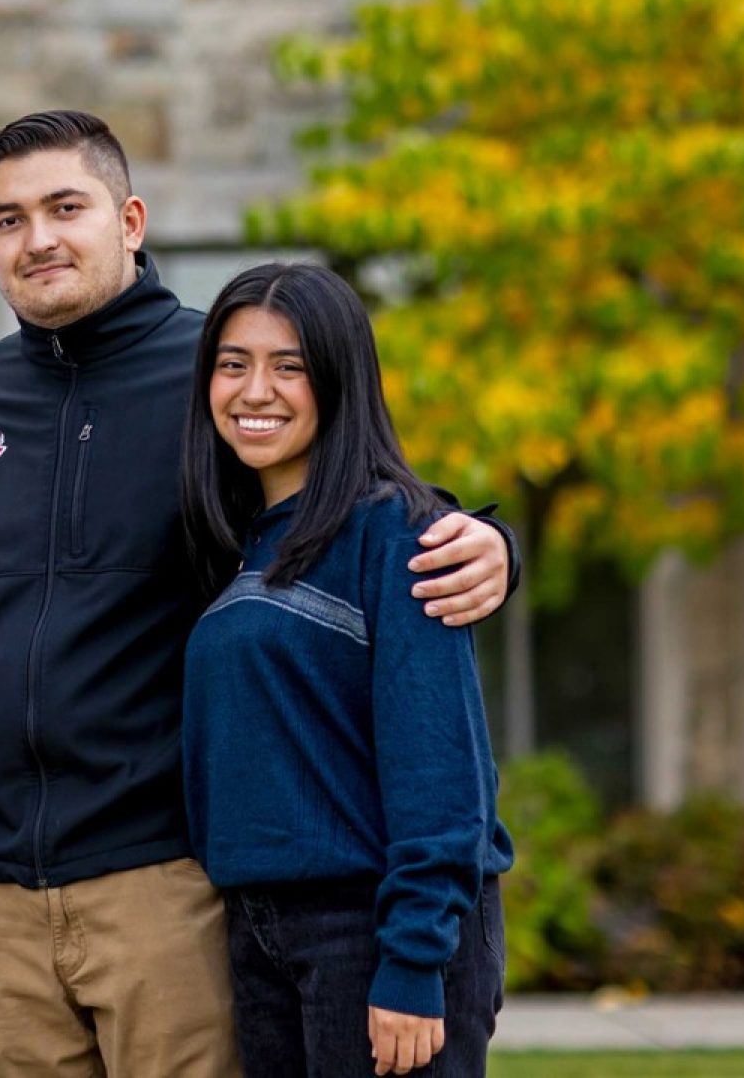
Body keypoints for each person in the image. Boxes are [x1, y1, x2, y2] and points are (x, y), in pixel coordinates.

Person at [0, 111, 517, 1077]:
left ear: (128, 218)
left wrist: (483, 537)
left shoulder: (215, 381)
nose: (37, 237)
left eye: (65, 207)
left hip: (165, 876)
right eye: (7, 219)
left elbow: (349, 502)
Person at [180, 263, 512, 1077]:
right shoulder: (240, 539)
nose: (256, 390)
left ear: (339, 380)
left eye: (289, 366)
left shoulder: (396, 534)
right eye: (233, 363)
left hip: (371, 931)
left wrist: (412, 961)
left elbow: (440, 766)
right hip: (261, 927)